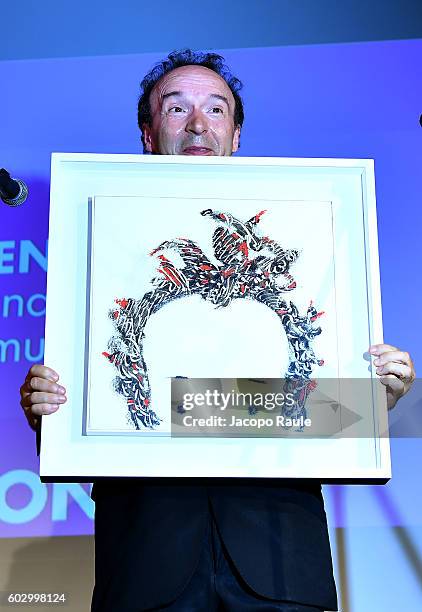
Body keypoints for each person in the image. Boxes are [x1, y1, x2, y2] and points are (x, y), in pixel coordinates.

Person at [20, 50, 415, 612]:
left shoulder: (307, 227)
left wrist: (372, 398)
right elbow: (99, 415)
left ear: (236, 134)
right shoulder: (102, 239)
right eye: (176, 108)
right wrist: (49, 411)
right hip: (146, 567)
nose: (198, 124)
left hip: (281, 566)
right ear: (149, 134)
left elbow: (310, 412)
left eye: (215, 108)